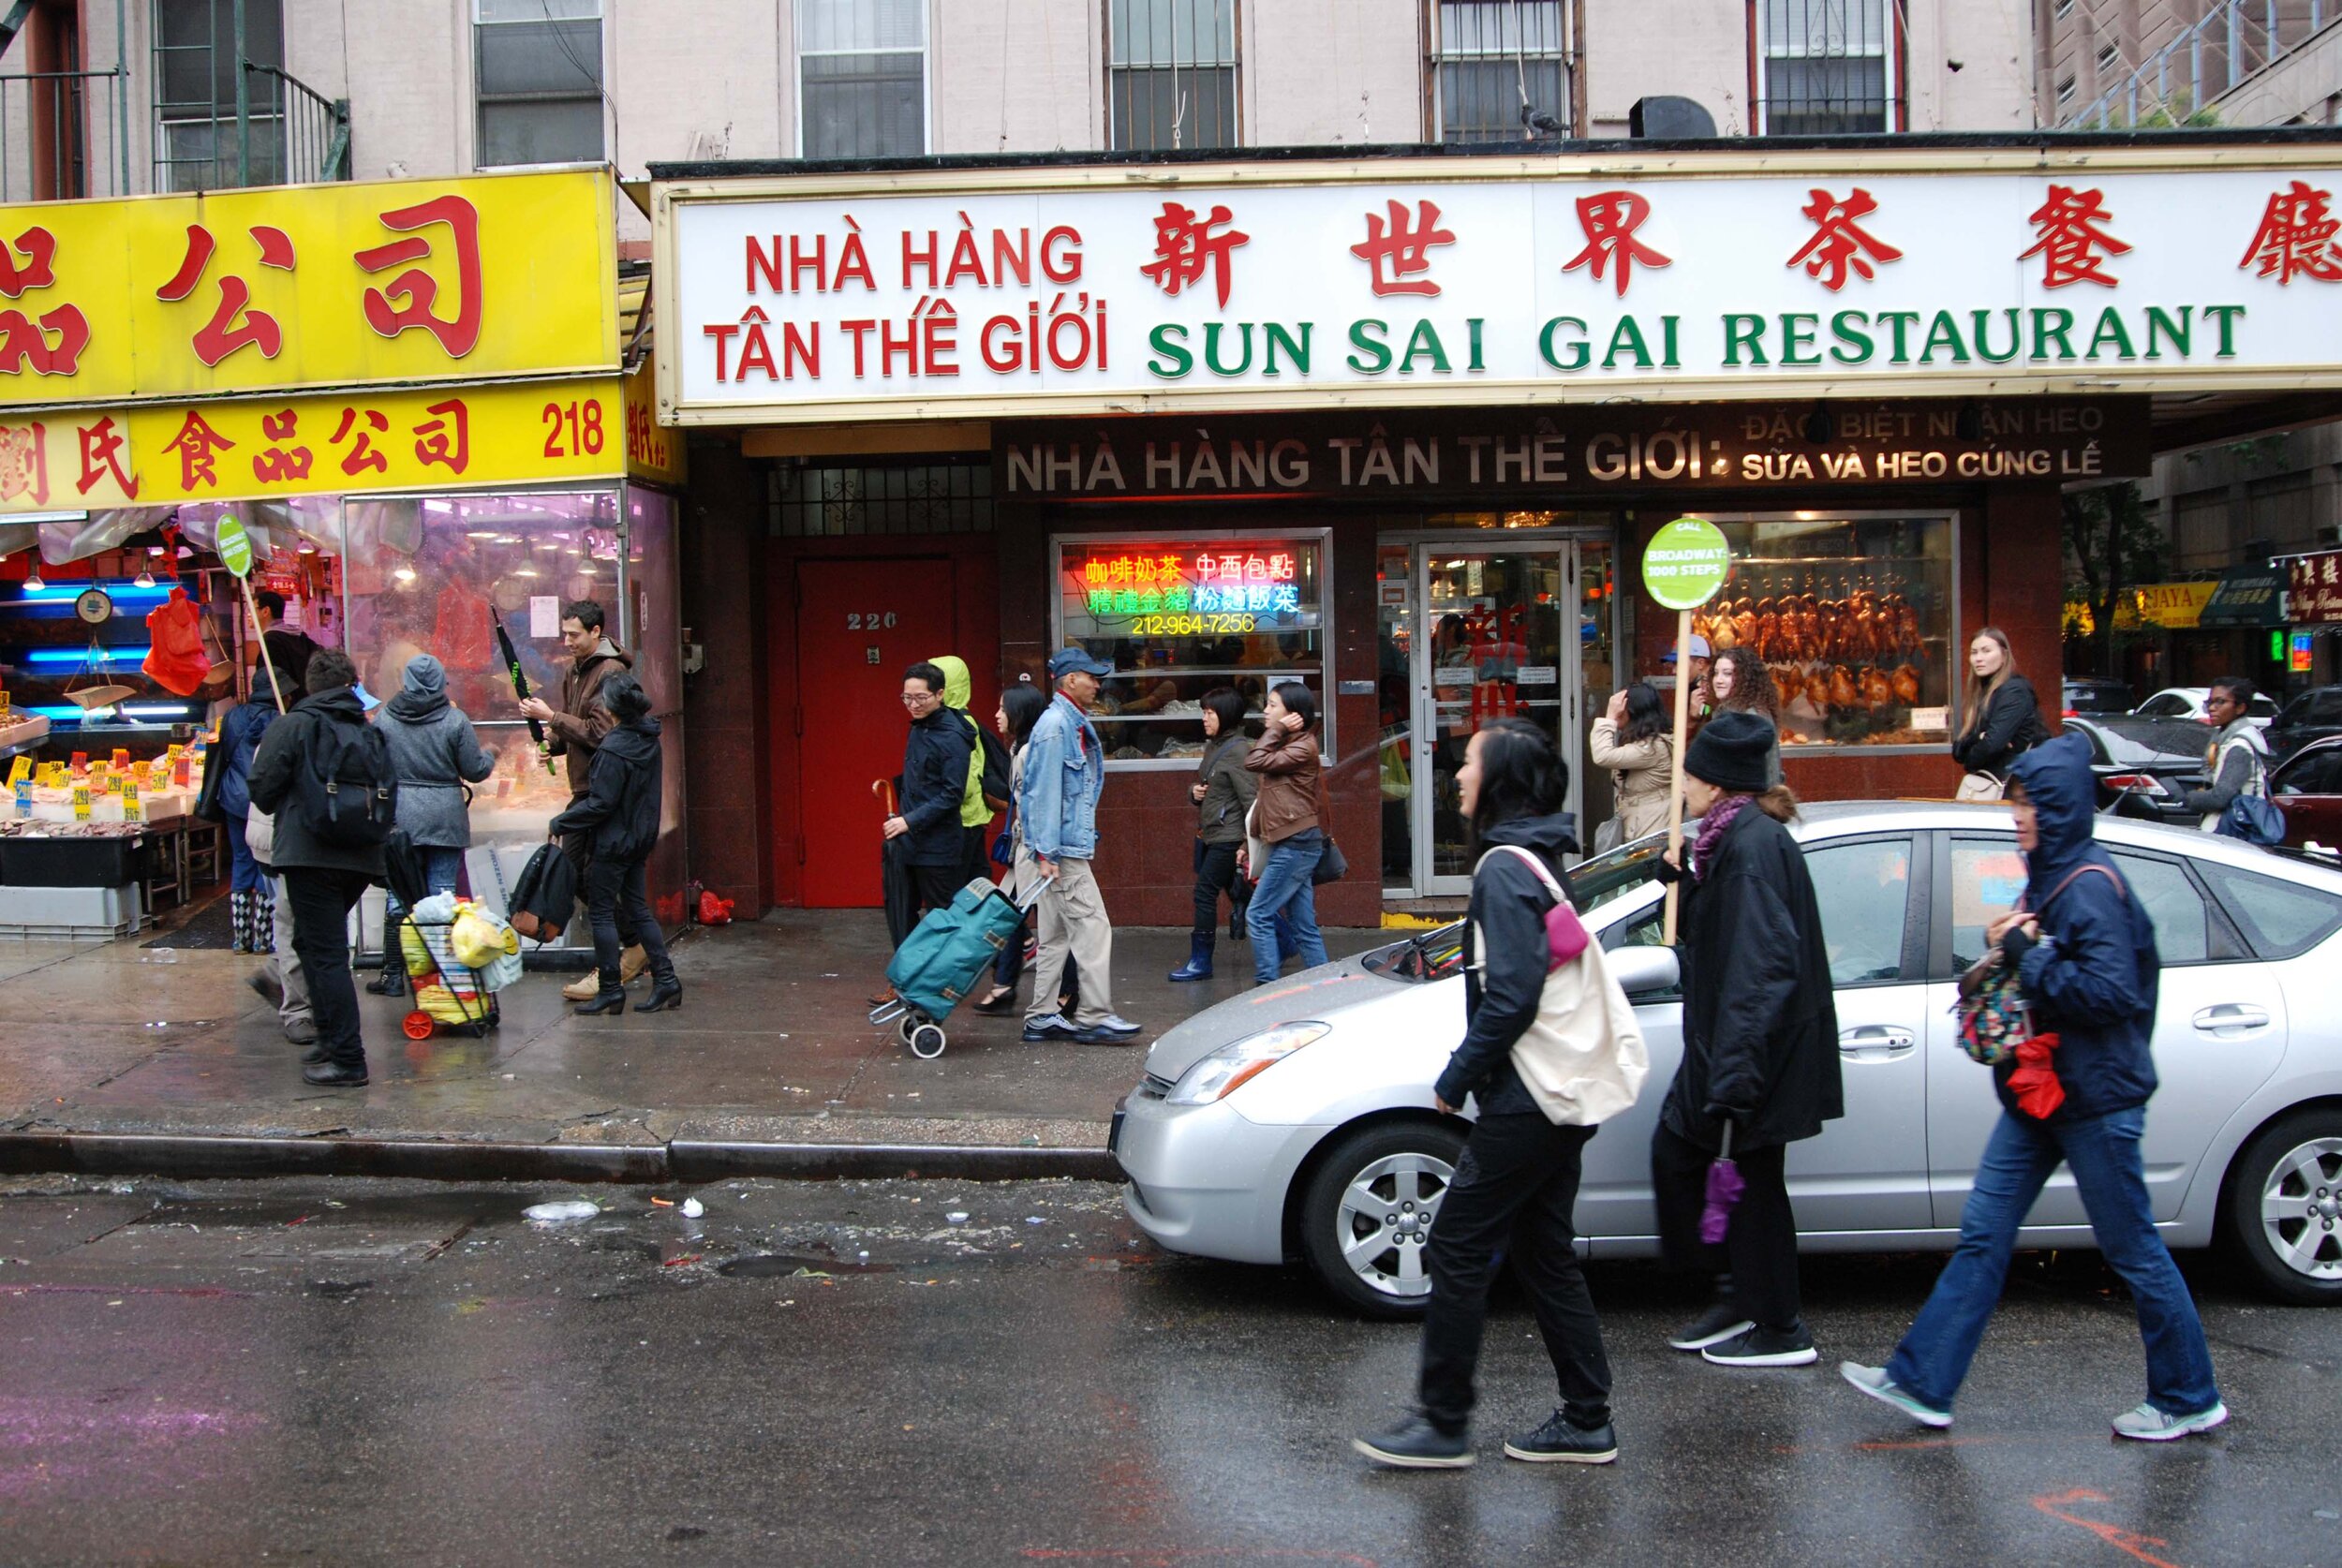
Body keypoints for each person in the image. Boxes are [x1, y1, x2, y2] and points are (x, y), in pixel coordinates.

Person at [1842, 732, 2226, 1441]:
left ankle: (2187, 1395)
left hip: (2093, 1099)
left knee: (2133, 1248)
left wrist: (2025, 954)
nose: (2016, 817)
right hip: (2042, 1091)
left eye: (2027, 807)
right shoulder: (2056, 874)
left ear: (2058, 810)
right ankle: (1922, 1380)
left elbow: (2109, 994)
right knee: (1984, 1233)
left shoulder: (2088, 888)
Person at [1355, 718, 1618, 1472]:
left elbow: (1513, 995)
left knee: (1457, 1243)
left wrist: (1456, 1077)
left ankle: (1441, 1422)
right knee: (1543, 1253)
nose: (1458, 774)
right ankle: (1587, 1416)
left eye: (1469, 762)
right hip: (1558, 1093)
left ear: (1498, 780)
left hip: (1529, 1097)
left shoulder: (1505, 867)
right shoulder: (1539, 859)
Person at [1651, 710, 1843, 1368]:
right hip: (1731, 1047)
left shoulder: (1753, 847)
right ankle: (1739, 1292)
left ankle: (1781, 1325)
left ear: (1717, 783)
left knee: (1752, 1185)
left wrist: (1733, 1074)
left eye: (1691, 774)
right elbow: (1714, 940)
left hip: (1753, 1052)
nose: (1683, 785)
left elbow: (1758, 968)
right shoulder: (1728, 841)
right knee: (1686, 1158)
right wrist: (1679, 886)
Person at [245, 648, 386, 1088]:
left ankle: (348, 1058)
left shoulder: (291, 726)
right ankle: (328, 1040)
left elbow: (263, 792)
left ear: (310, 686)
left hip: (309, 856)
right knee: (310, 943)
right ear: (353, 683)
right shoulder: (369, 731)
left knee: (325, 956)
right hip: (362, 855)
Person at [518, 601, 641, 1001]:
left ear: (596, 631)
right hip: (584, 789)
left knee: (586, 875)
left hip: (602, 793)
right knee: (580, 874)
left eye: (574, 634)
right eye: (565, 633)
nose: (566, 641)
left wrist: (552, 718)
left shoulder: (610, 671)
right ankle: (634, 948)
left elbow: (603, 733)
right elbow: (578, 727)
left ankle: (627, 955)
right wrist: (553, 744)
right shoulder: (574, 670)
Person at [1019, 647, 1141, 1044]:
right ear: (1070, 680)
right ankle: (1094, 1016)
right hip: (1062, 854)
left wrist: (1044, 853)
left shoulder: (1064, 722)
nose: (1098, 684)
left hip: (1057, 851)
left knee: (1055, 937)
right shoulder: (1057, 727)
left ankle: (1041, 1015)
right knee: (1092, 928)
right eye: (1092, 677)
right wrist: (1047, 853)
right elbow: (1042, 795)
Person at [548, 673, 682, 1016]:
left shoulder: (612, 749)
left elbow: (601, 804)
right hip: (639, 838)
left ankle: (610, 989)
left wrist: (561, 823)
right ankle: (666, 980)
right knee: (638, 908)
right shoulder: (648, 738)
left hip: (613, 841)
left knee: (603, 913)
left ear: (612, 708)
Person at [366, 655, 495, 997]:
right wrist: (491, 754)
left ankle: (393, 975)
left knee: (397, 897)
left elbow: (374, 768)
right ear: (440, 684)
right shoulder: (455, 720)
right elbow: (475, 770)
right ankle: (442, 978)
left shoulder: (384, 721)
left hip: (400, 818)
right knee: (441, 896)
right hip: (444, 818)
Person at [972, 685, 1076, 1016]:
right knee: (1012, 915)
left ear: (1020, 713)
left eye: (1003, 708)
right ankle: (1006, 984)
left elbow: (1040, 803)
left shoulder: (1032, 750)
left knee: (1050, 924)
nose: (997, 714)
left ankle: (1066, 990)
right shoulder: (1020, 746)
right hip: (1026, 848)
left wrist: (1044, 852)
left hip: (1036, 850)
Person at [1244, 682, 1332, 986]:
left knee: (1258, 914)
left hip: (1296, 845)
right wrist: (1248, 842)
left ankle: (1267, 985)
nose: (1265, 711)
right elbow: (1267, 802)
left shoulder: (1300, 747)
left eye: (1272, 705)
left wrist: (1277, 730)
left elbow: (1253, 761)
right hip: (1296, 843)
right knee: (1303, 925)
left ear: (1292, 714)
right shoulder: (1289, 745)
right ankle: (1325, 988)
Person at [1169, 687, 1258, 983]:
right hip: (1211, 833)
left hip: (1228, 837)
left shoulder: (1239, 751)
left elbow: (1253, 801)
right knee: (1238, 892)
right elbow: (1207, 785)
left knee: (1204, 892)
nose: (1204, 718)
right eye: (1203, 712)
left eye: (1210, 713)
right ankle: (1284, 943)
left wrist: (1247, 843)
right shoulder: (1214, 746)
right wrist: (1193, 793)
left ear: (1227, 715)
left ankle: (1201, 960)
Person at [884, 660, 978, 937]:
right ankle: (911, 974)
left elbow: (952, 794)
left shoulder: (952, 736)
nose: (913, 704)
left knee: (942, 917)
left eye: (921, 697)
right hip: (909, 841)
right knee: (902, 912)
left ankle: (946, 976)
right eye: (907, 697)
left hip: (937, 846)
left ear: (940, 694)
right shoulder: (919, 726)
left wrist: (908, 821)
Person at [214, 693, 277, 954]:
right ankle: (264, 938)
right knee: (265, 862)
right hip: (262, 799)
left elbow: (225, 750)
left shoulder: (232, 716)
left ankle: (241, 938)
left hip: (233, 797)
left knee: (241, 860)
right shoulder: (278, 718)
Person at [930, 654, 1002, 883]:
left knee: (960, 886)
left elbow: (968, 777)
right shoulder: (962, 718)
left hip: (960, 820)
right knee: (975, 881)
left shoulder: (954, 725)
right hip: (969, 817)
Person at [1951, 627, 2047, 800]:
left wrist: (1972, 754)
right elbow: (1957, 751)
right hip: (1993, 789)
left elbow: (1991, 745)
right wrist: (1978, 738)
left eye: (1986, 651)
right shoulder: (1982, 693)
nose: (1978, 658)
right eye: (1974, 652)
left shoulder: (2014, 691)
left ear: (2004, 655)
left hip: (2016, 792)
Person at [1588, 682, 1673, 849]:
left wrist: (1610, 718)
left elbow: (1602, 756)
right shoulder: (1645, 741)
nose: (1617, 710)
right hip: (1642, 823)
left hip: (1651, 829)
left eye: (1621, 707)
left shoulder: (1653, 747)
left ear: (1634, 711)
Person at [2185, 677, 2270, 833]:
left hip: (2237, 830)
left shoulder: (2240, 745)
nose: (2212, 708)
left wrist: (2191, 798)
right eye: (2210, 702)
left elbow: (2220, 798)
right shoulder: (2226, 738)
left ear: (2240, 708)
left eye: (2220, 702)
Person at [1709, 646, 1784, 785]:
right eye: (1715, 673)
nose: (1718, 680)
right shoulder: (1731, 711)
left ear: (1744, 678)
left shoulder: (1749, 717)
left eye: (1727, 673)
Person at [249, 589, 317, 700]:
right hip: (307, 702)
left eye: (252, 610)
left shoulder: (271, 641)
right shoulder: (298, 636)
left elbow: (270, 685)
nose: (248, 614)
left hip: (286, 708)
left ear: (265, 611)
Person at [1663, 633, 1713, 719]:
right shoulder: (1693, 688)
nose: (1674, 671)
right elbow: (1707, 713)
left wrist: (1693, 718)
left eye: (1679, 663)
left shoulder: (1718, 689)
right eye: (1673, 664)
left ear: (1700, 663)